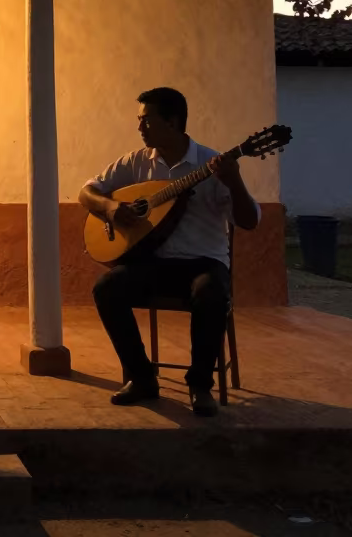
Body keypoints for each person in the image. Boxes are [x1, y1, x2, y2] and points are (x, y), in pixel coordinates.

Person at [78, 87, 260, 417]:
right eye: (139, 121)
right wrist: (111, 208)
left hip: (204, 263)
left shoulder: (212, 163)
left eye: (146, 121)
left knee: (210, 294)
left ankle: (200, 385)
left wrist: (234, 182)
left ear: (172, 122)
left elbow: (249, 221)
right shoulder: (136, 162)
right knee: (107, 288)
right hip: (155, 263)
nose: (140, 127)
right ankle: (142, 377)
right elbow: (87, 192)